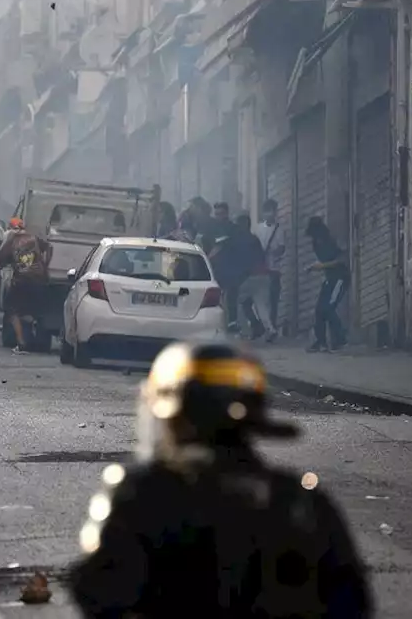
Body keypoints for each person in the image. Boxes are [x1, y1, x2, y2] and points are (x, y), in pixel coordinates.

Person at [69, 341, 371, 618]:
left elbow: (96, 592)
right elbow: (352, 604)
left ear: (172, 416)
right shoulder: (301, 503)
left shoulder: (141, 496)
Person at [0, 218, 51, 355]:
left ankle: (21, 343)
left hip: (21, 280)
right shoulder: (34, 238)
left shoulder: (10, 242)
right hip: (39, 280)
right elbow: (49, 248)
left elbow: (1, 261)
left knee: (11, 310)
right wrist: (45, 264)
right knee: (37, 311)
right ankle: (34, 328)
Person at [305, 216, 349, 353]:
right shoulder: (315, 243)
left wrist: (322, 266)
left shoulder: (331, 241)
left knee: (328, 308)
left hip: (340, 278)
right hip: (329, 278)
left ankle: (341, 339)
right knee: (319, 310)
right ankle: (321, 342)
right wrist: (315, 267)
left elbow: (342, 260)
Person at [254, 199, 287, 335]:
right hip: (260, 271)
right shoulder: (258, 228)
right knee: (261, 301)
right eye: (267, 211)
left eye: (272, 211)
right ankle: (262, 327)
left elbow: (282, 248)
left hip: (274, 270)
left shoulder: (280, 229)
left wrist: (274, 252)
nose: (270, 214)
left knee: (273, 301)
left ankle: (271, 329)